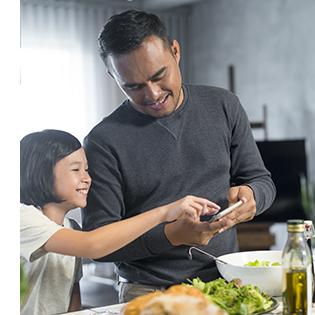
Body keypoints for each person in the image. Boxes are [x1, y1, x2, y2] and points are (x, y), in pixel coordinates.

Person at [82, 10, 276, 303]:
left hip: (225, 280)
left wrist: (252, 196)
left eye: (159, 76)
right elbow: (99, 245)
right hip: (147, 291)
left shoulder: (223, 105)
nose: (153, 94)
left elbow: (261, 181)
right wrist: (172, 235)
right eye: (133, 86)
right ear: (113, 76)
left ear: (175, 51)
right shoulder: (102, 141)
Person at [20, 129, 220, 315]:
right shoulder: (22, 219)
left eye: (87, 169)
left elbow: (72, 294)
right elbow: (93, 245)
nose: (87, 178)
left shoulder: (72, 228)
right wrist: (164, 212)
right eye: (76, 169)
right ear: (42, 173)